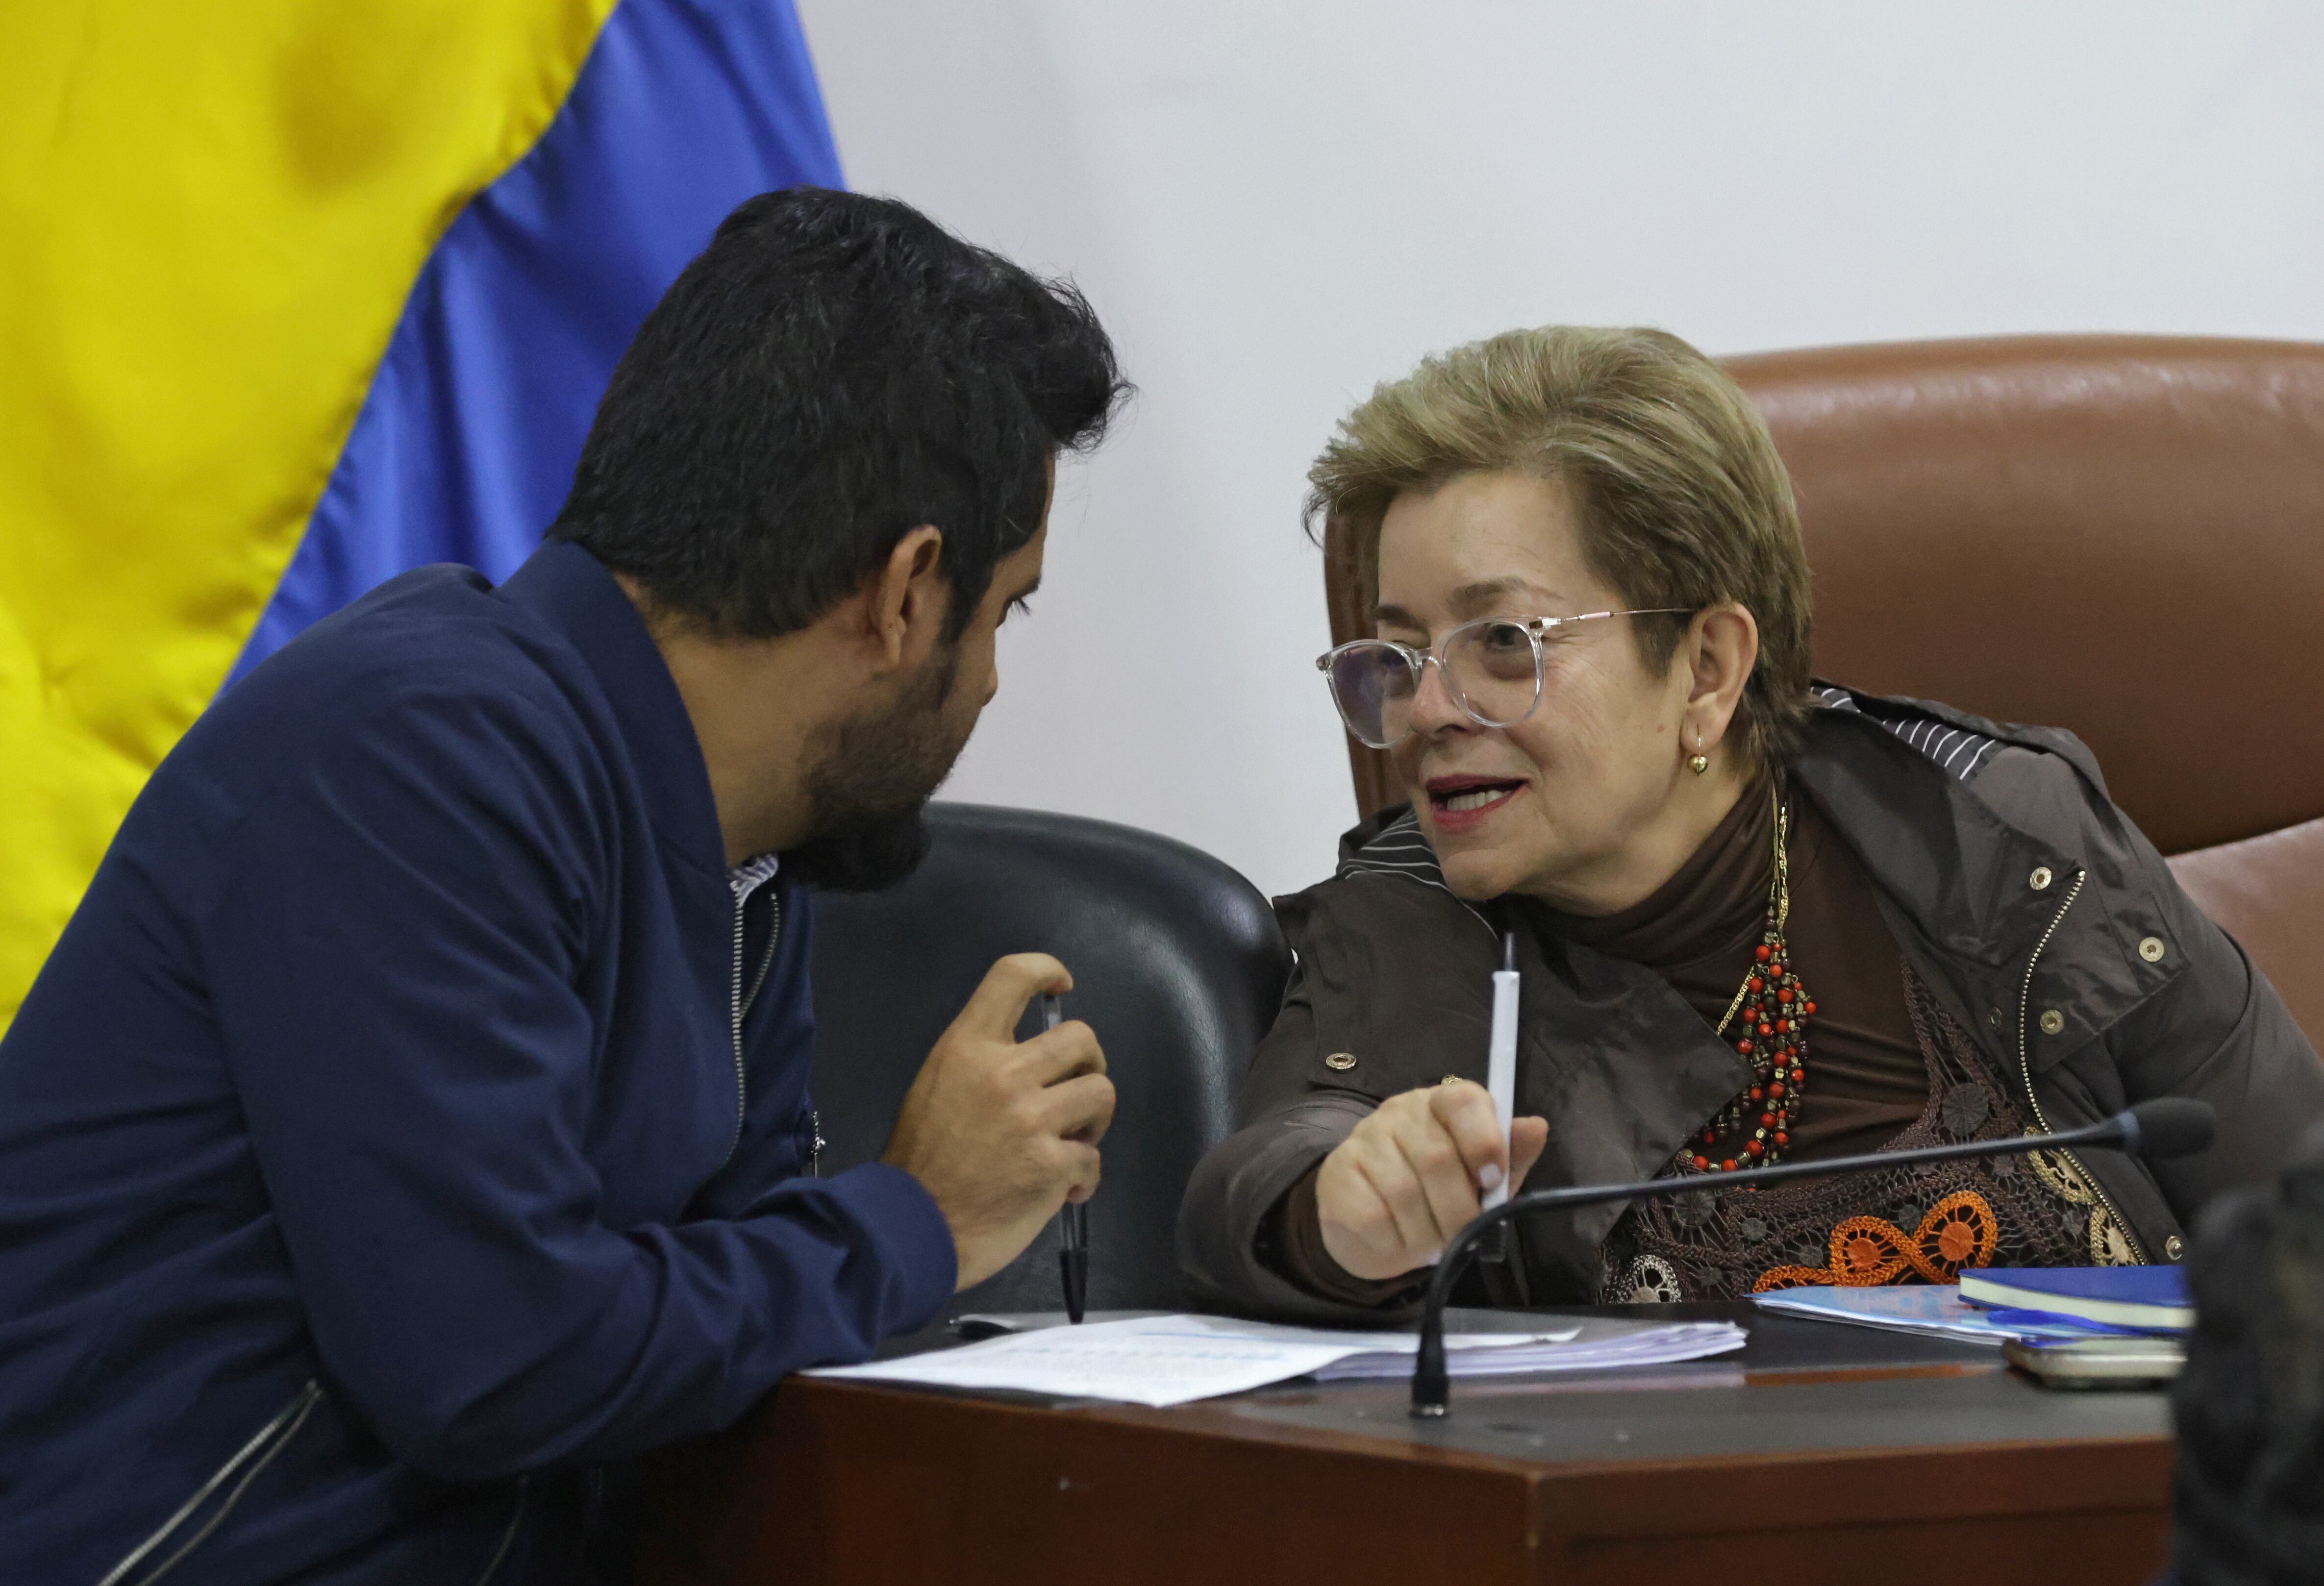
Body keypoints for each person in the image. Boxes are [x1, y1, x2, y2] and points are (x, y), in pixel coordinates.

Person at [0, 189, 1127, 1583]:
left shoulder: (750, 848)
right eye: (1002, 609)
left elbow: (712, 1337)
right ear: (906, 593)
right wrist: (917, 1215)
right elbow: (494, 1360)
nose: (993, 678)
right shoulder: (415, 751)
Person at [1178, 325, 2324, 1321]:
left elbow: (2299, 1216)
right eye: (1398, 655)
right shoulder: (1415, 910)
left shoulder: (1993, 835)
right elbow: (1268, 1178)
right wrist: (1338, 1215)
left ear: (1707, 668)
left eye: (1502, 643)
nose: (1426, 710)